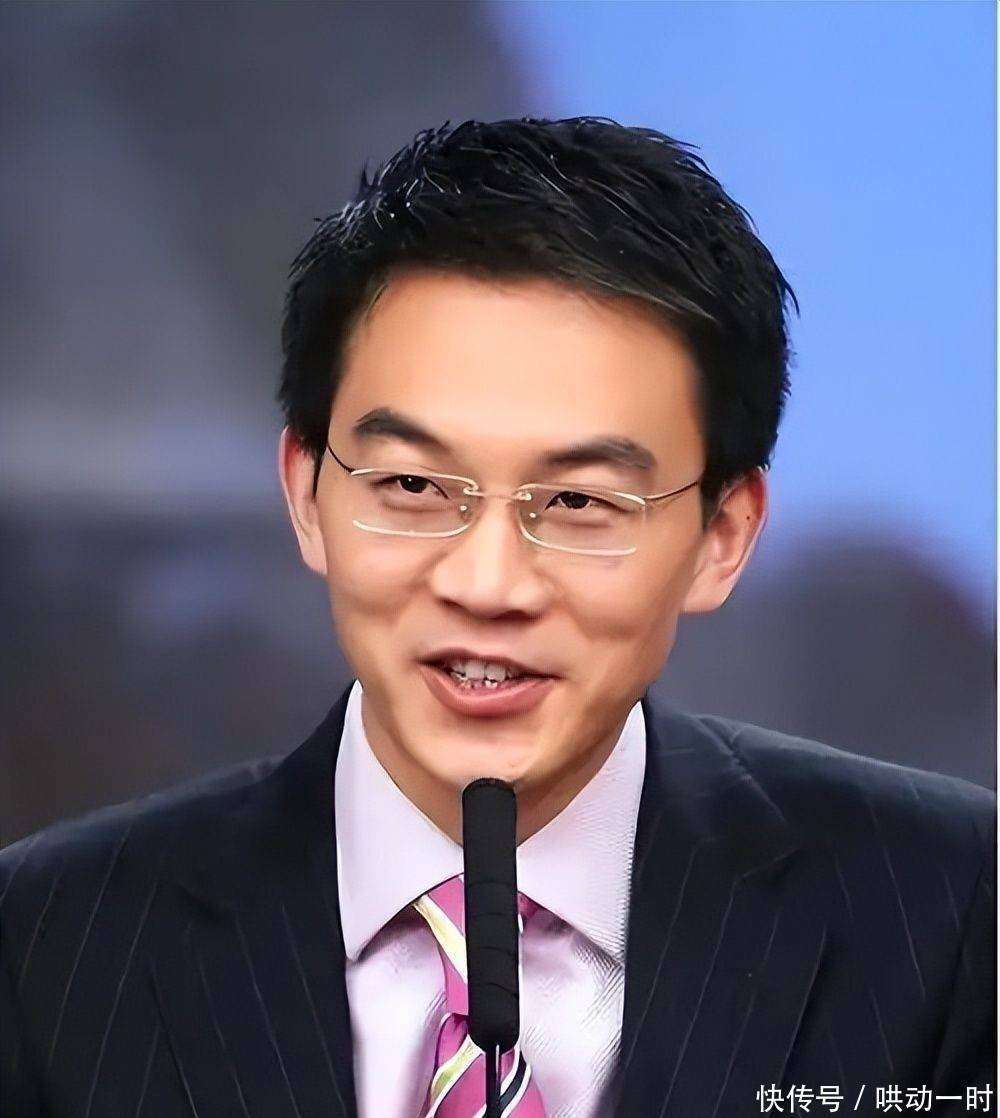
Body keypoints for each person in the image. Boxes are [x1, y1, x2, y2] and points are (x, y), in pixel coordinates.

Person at [0, 116, 993, 1118]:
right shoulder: (47, 941)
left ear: (721, 535)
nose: (486, 583)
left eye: (578, 501)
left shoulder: (950, 912)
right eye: (412, 485)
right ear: (306, 492)